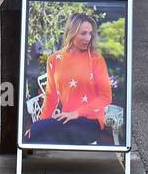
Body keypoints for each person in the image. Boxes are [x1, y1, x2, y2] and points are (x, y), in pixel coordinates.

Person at [26, 12, 114, 146]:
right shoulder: (54, 59)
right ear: (71, 32)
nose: (88, 38)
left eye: (90, 33)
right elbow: (51, 96)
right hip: (65, 120)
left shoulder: (96, 60)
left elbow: (105, 97)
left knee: (42, 134)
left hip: (90, 122)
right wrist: (39, 124)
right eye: (83, 33)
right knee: (36, 132)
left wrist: (76, 113)